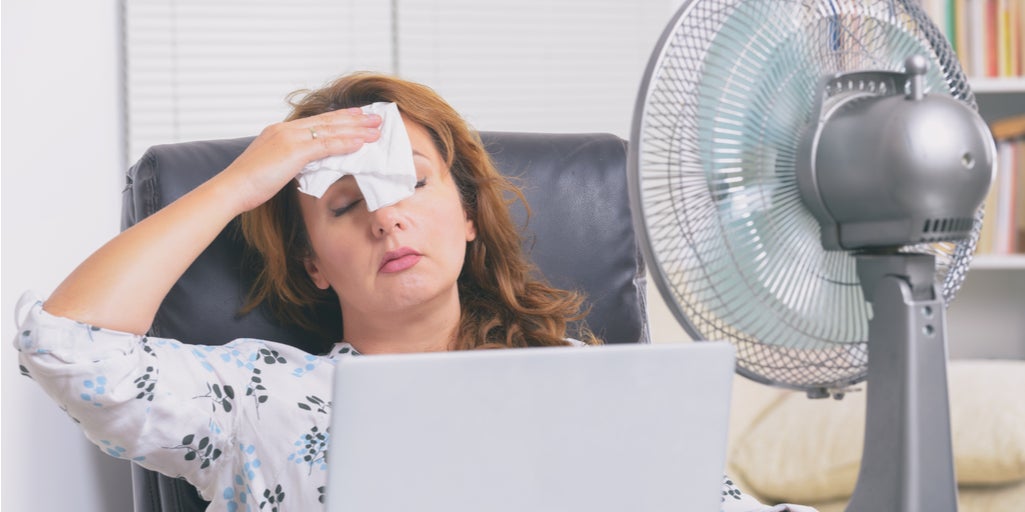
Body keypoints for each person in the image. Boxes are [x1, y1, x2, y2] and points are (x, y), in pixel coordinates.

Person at [14, 72, 812, 511]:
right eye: (346, 206)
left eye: (410, 188)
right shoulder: (257, 398)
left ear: (468, 216)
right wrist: (238, 186)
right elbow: (67, 348)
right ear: (314, 266)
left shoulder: (585, 384)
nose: (386, 222)